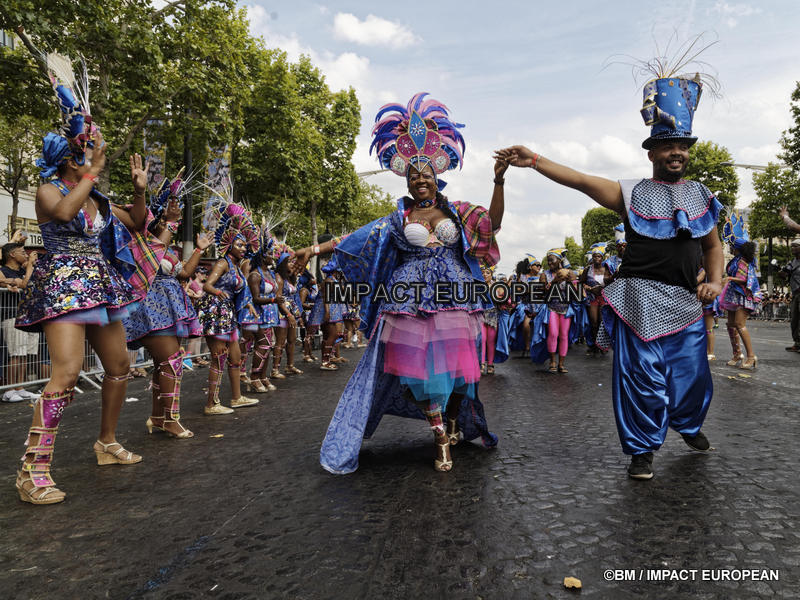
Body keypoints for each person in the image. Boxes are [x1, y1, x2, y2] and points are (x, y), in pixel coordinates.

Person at [497, 64, 723, 480]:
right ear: (652, 152)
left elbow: (713, 245)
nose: (678, 152)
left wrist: (713, 280)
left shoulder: (702, 196)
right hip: (638, 300)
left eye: (683, 146)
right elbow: (582, 180)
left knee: (693, 380)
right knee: (643, 382)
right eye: (669, 145)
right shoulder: (630, 192)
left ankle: (688, 426)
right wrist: (536, 161)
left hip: (687, 305)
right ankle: (642, 450)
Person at [294, 93, 504, 473]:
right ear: (406, 179)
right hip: (407, 302)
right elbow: (355, 239)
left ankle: (453, 420)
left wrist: (499, 181)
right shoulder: (396, 220)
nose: (420, 179)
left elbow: (492, 225)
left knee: (460, 377)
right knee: (418, 376)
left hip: (456, 298)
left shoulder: (458, 213)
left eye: (425, 173)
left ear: (436, 175)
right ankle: (440, 436)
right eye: (413, 175)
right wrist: (312, 250)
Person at [14, 55, 148, 504]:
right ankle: (33, 470)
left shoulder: (99, 197)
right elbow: (66, 213)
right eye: (85, 152)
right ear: (71, 157)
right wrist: (91, 173)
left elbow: (139, 223)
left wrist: (140, 188)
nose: (92, 156)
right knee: (67, 373)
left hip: (100, 286)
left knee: (119, 367)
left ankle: (106, 442)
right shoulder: (49, 189)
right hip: (62, 285)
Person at [120, 174, 212, 438]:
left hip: (170, 309)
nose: (164, 223)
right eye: (160, 219)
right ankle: (170, 419)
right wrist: (171, 223)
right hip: (151, 309)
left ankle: (159, 417)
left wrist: (198, 250)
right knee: (172, 361)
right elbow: (156, 253)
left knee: (165, 363)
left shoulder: (167, 249)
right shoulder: (142, 243)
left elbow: (184, 274)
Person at [196, 194, 260, 414]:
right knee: (219, 358)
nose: (243, 248)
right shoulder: (223, 262)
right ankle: (211, 404)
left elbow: (241, 291)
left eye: (244, 245)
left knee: (235, 357)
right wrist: (217, 291)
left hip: (228, 315)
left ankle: (236, 397)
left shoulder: (236, 266)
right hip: (216, 313)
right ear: (229, 245)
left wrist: (248, 306)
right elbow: (207, 285)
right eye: (239, 244)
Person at [1, 243, 42, 401]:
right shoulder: (2, 271)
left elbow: (31, 282)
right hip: (12, 316)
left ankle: (20, 387)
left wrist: (29, 268)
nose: (26, 255)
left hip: (29, 316)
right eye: (22, 252)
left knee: (25, 354)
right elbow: (24, 284)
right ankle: (9, 390)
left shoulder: (24, 271)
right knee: (16, 354)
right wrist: (29, 267)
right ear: (11, 254)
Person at [719, 213, 760, 369]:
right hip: (734, 295)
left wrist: (728, 279)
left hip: (743, 295)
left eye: (730, 243)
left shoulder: (743, 261)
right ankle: (737, 354)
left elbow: (744, 280)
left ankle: (751, 356)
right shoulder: (736, 260)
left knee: (739, 324)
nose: (728, 245)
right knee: (730, 324)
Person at [530, 249, 578, 373]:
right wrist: (555, 280)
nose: (549, 263)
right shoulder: (544, 274)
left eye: (552, 260)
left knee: (563, 336)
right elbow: (541, 293)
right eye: (548, 261)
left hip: (566, 309)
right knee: (553, 334)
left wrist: (570, 281)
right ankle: (552, 361)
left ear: (559, 261)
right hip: (551, 308)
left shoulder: (569, 273)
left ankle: (561, 364)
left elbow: (577, 290)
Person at [245, 230, 280, 392]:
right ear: (262, 256)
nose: (273, 257)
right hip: (258, 315)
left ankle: (263, 377)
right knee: (263, 345)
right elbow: (256, 298)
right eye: (270, 254)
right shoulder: (254, 275)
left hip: (270, 314)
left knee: (268, 346)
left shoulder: (270, 273)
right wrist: (273, 300)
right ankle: (254, 377)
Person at [579, 242, 611, 356]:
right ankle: (593, 345)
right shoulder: (588, 269)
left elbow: (612, 282)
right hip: (592, 298)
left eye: (599, 256)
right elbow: (581, 283)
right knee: (594, 323)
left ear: (602, 258)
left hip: (603, 298)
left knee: (602, 322)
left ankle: (602, 345)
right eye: (594, 256)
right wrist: (589, 288)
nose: (596, 258)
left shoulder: (607, 268)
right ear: (592, 258)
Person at [777, 210, 800, 351]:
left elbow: (793, 226)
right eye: (791, 246)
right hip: (796, 293)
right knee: (795, 320)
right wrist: (782, 273)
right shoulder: (793, 262)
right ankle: (797, 343)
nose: (793, 248)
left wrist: (785, 216)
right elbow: (784, 273)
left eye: (795, 246)